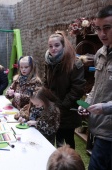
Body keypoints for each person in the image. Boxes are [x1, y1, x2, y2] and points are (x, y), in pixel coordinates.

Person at [78, 5, 112, 170]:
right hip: (98, 128)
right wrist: (88, 104)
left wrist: (105, 108)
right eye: (98, 29)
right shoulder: (100, 53)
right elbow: (96, 87)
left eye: (107, 28)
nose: (102, 34)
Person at [44, 31, 86, 148]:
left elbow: (78, 88)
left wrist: (62, 106)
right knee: (56, 141)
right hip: (53, 109)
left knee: (67, 143)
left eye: (57, 45)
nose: (53, 49)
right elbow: (46, 82)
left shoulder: (74, 63)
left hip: (67, 111)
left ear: (63, 46)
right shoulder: (48, 62)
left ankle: (69, 165)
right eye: (50, 46)